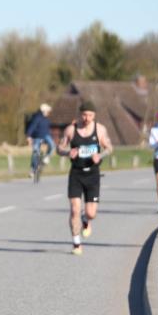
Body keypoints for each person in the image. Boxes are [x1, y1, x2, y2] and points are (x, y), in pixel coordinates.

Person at [57, 101, 113, 255]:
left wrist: (100, 155)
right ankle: (76, 244)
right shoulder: (71, 130)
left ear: (94, 115)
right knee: (74, 209)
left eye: (90, 115)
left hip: (93, 175)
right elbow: (59, 148)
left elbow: (109, 148)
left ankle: (86, 220)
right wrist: (67, 152)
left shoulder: (100, 129)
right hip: (76, 174)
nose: (87, 118)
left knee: (91, 213)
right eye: (84, 115)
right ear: (80, 114)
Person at [26, 103, 55, 176]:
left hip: (46, 136)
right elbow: (32, 127)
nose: (49, 112)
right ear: (44, 111)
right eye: (48, 111)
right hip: (37, 137)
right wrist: (28, 136)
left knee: (52, 145)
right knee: (35, 152)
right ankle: (33, 169)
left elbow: (48, 129)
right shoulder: (37, 118)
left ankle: (46, 157)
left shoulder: (46, 119)